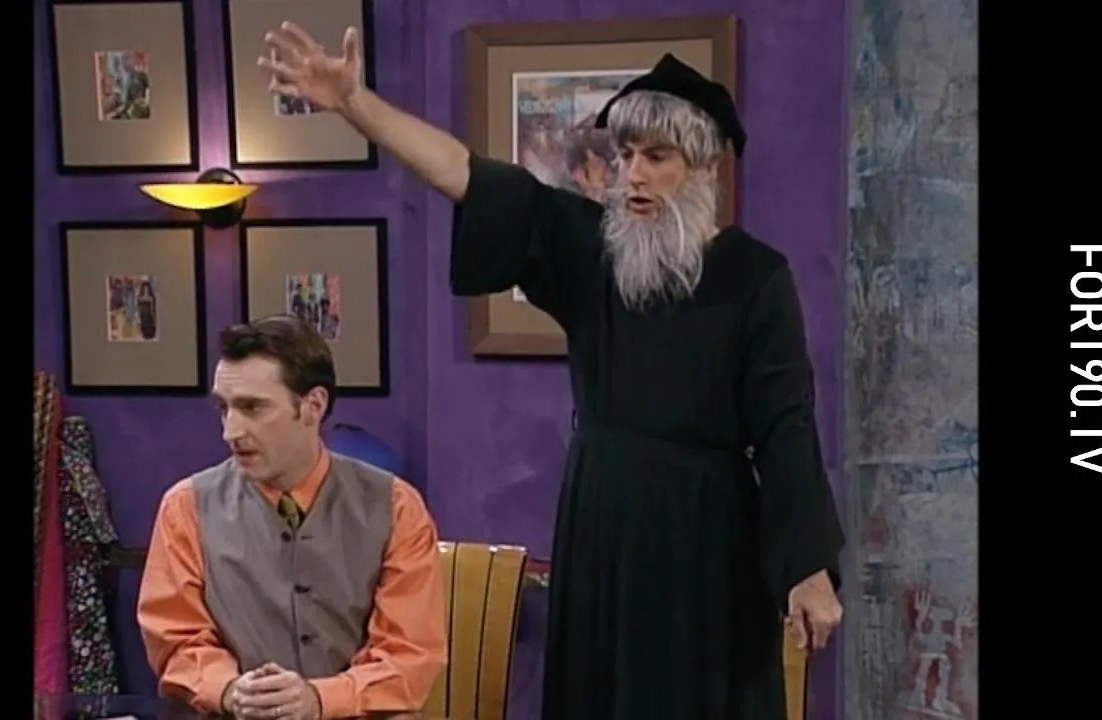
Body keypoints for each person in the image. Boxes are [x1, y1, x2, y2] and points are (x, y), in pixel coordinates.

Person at [258, 26, 845, 719]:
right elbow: (465, 174)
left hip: (707, 536)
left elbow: (785, 426)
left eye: (656, 156)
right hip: (601, 520)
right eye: (625, 155)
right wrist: (357, 104)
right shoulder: (594, 252)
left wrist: (807, 567)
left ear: (704, 166)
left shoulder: (756, 277)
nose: (633, 174)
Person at [137, 314, 447, 720]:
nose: (231, 431)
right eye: (224, 408)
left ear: (313, 405)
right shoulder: (185, 508)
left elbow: (408, 653)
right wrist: (230, 690)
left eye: (253, 408)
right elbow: (175, 639)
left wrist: (321, 699)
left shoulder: (396, 507)